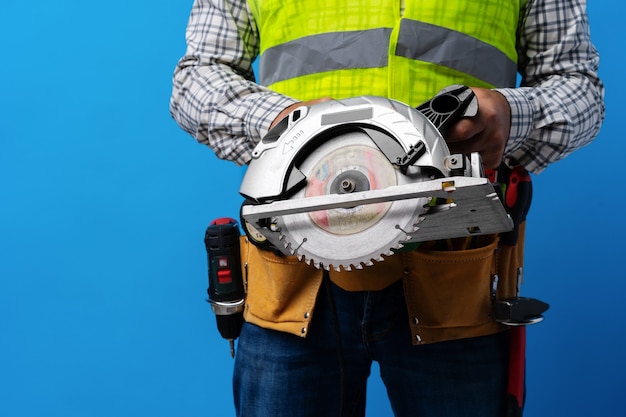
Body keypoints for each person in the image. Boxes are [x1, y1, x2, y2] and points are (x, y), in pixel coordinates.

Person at [170, 1, 605, 416]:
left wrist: (512, 113)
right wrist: (286, 123)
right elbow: (198, 78)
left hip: (455, 273)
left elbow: (578, 86)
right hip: (292, 269)